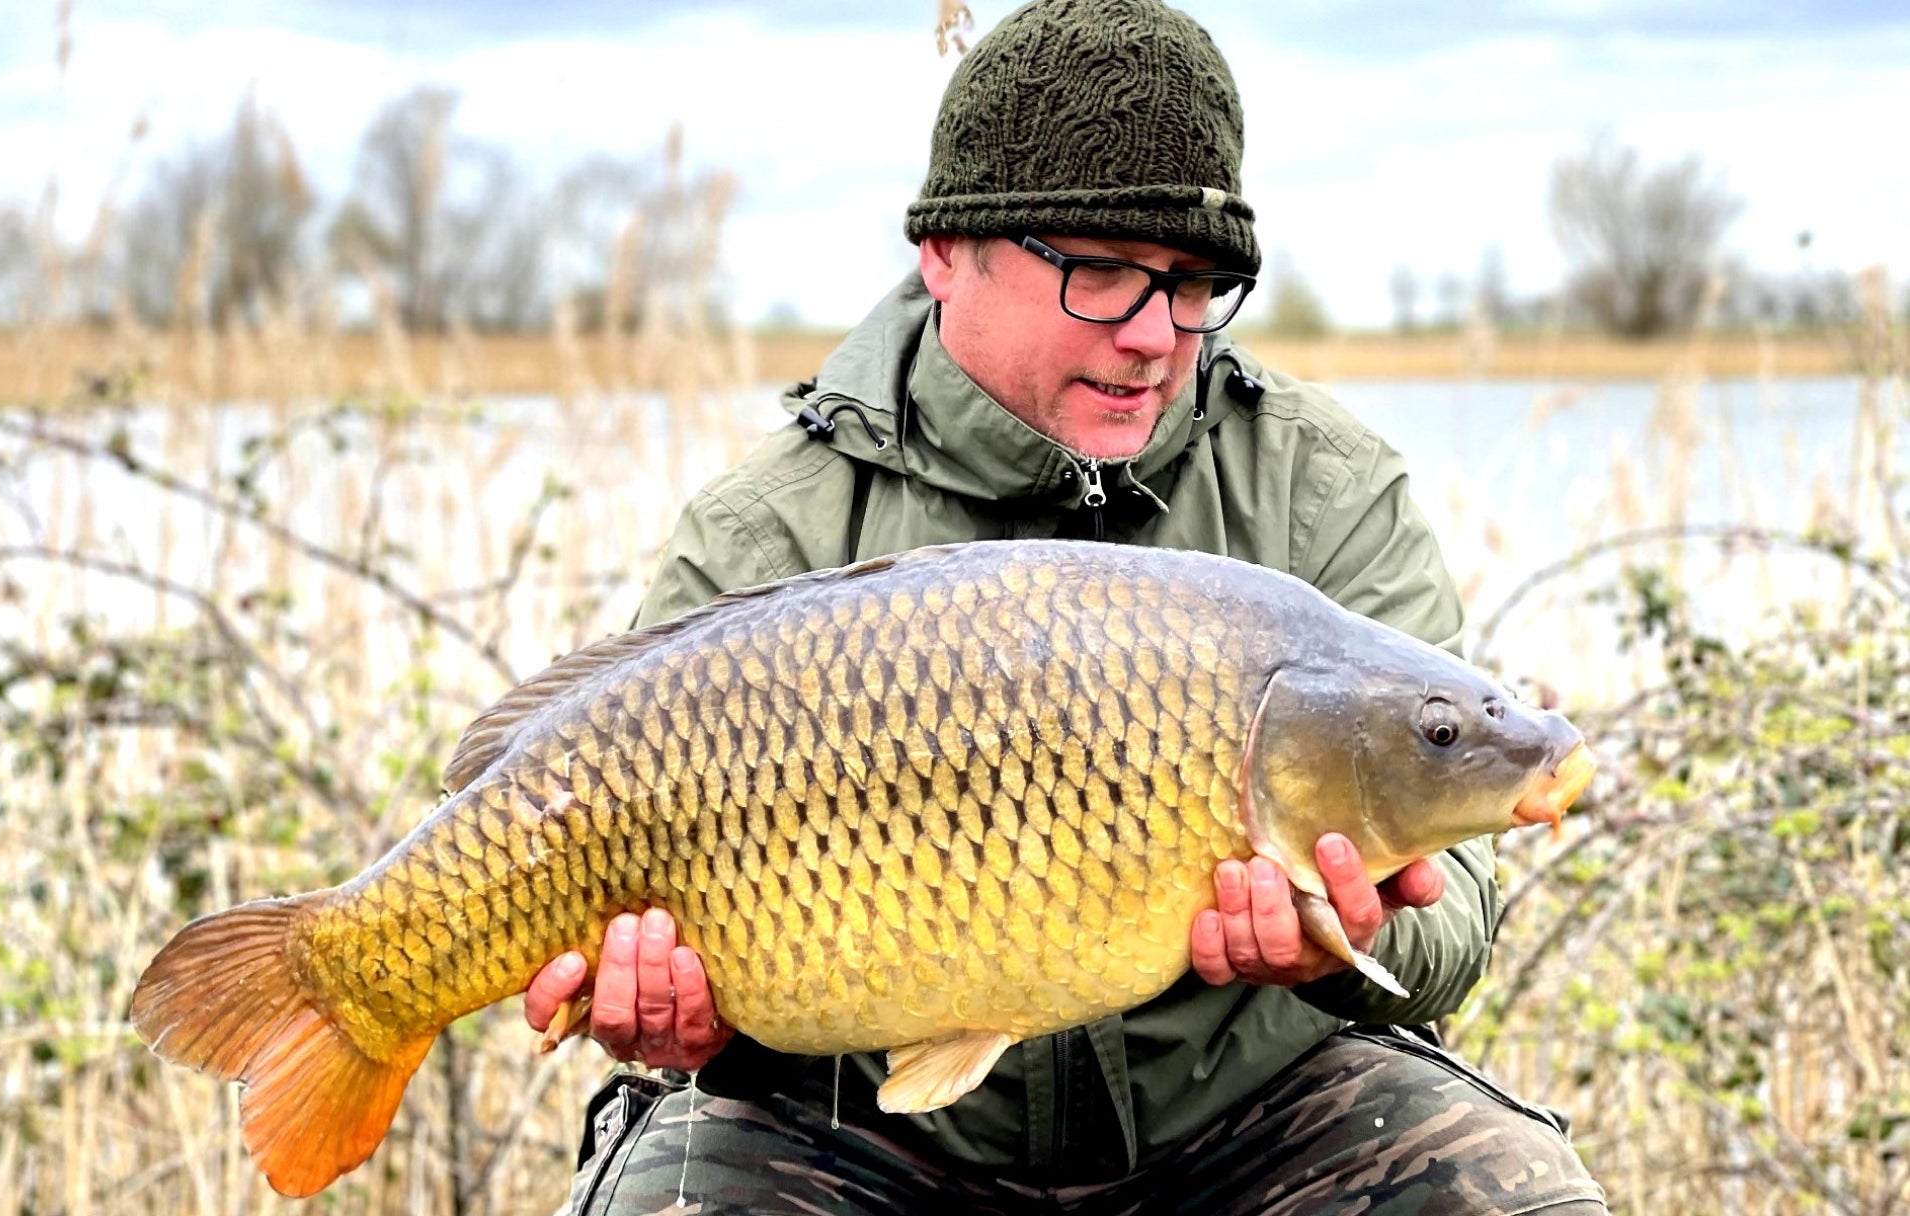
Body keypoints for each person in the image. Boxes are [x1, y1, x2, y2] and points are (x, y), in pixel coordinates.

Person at [528, 1, 1608, 1211]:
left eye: (1193, 284)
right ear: (945, 253)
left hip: (1244, 1118)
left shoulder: (1321, 490)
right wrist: (676, 1022)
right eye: (1100, 273)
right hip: (852, 1127)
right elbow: (651, 967)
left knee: (1514, 1196)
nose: (1154, 335)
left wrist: (1350, 947)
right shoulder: (770, 531)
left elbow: (1452, 921)